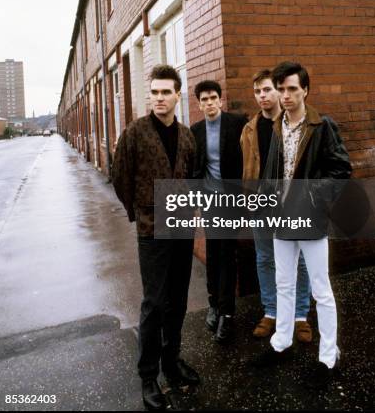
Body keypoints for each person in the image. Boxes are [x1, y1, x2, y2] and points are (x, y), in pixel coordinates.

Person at [253, 61, 352, 386]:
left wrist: (313, 199)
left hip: (309, 220)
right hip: (281, 221)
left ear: (305, 90)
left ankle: (328, 357)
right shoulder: (278, 125)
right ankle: (281, 342)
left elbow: (341, 170)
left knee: (321, 291)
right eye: (281, 89)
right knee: (283, 284)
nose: (285, 95)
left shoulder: (322, 126)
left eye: (292, 88)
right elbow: (272, 173)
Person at [112, 65, 199, 411]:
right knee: (154, 303)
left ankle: (171, 362)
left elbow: (192, 178)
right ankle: (148, 376)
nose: (159, 98)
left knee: (177, 300)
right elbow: (120, 177)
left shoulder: (188, 136)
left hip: (181, 227)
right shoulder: (134, 133)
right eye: (155, 92)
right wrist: (139, 213)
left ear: (178, 94)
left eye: (166, 92)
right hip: (152, 229)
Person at [240, 69, 312, 342]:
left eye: (267, 89)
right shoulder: (248, 129)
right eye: (257, 91)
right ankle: (271, 311)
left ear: (279, 91)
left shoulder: (295, 124)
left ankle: (300, 315)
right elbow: (246, 168)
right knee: (266, 258)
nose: (262, 96)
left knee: (301, 261)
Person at [191, 80, 247, 343]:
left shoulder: (237, 124)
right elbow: (195, 169)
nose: (209, 103)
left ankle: (227, 313)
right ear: (199, 103)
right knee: (213, 255)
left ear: (220, 100)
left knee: (227, 255)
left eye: (213, 97)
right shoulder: (196, 130)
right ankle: (214, 304)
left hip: (232, 202)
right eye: (204, 99)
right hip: (210, 203)